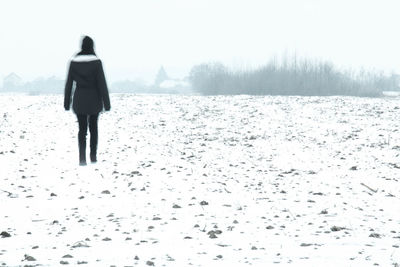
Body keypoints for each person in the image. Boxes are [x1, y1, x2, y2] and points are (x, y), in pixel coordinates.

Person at [64, 36, 111, 166]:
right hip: (95, 99)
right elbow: (102, 84)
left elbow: (69, 84)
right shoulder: (96, 62)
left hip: (79, 100)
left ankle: (82, 159)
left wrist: (67, 103)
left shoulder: (74, 62)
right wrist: (107, 103)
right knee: (94, 128)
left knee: (82, 130)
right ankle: (93, 157)